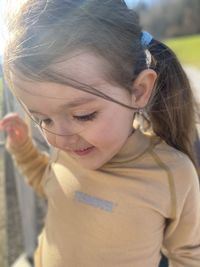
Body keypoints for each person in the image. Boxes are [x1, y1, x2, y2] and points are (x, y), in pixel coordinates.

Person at [1, 0, 200, 266]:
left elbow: (188, 254)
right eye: (43, 120)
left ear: (138, 91)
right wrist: (23, 148)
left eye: (83, 115)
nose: (59, 138)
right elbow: (53, 187)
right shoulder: (67, 151)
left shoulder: (172, 174)